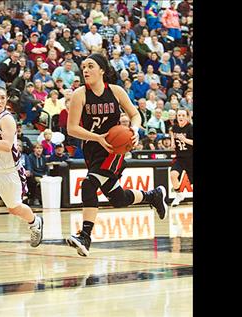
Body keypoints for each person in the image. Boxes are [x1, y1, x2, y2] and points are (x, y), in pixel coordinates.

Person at [65, 53, 169, 257]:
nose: (85, 70)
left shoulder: (116, 91)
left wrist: (135, 130)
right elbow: (71, 129)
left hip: (113, 149)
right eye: (83, 66)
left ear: (102, 70)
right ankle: (153, 195)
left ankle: (85, 236)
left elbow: (135, 114)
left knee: (88, 185)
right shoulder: (80, 94)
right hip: (93, 148)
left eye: (90, 66)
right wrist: (96, 137)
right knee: (118, 198)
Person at [0, 85, 44, 247]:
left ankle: (35, 222)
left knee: (14, 208)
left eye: (2, 97)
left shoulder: (7, 119)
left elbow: (7, 145)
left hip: (10, 172)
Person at [169, 109, 193, 207]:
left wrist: (185, 140)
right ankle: (179, 195)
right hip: (180, 158)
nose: (181, 117)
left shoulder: (191, 128)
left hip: (191, 158)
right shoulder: (175, 127)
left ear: (187, 117)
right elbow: (171, 131)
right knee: (173, 174)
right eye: (179, 115)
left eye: (183, 115)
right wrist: (172, 141)